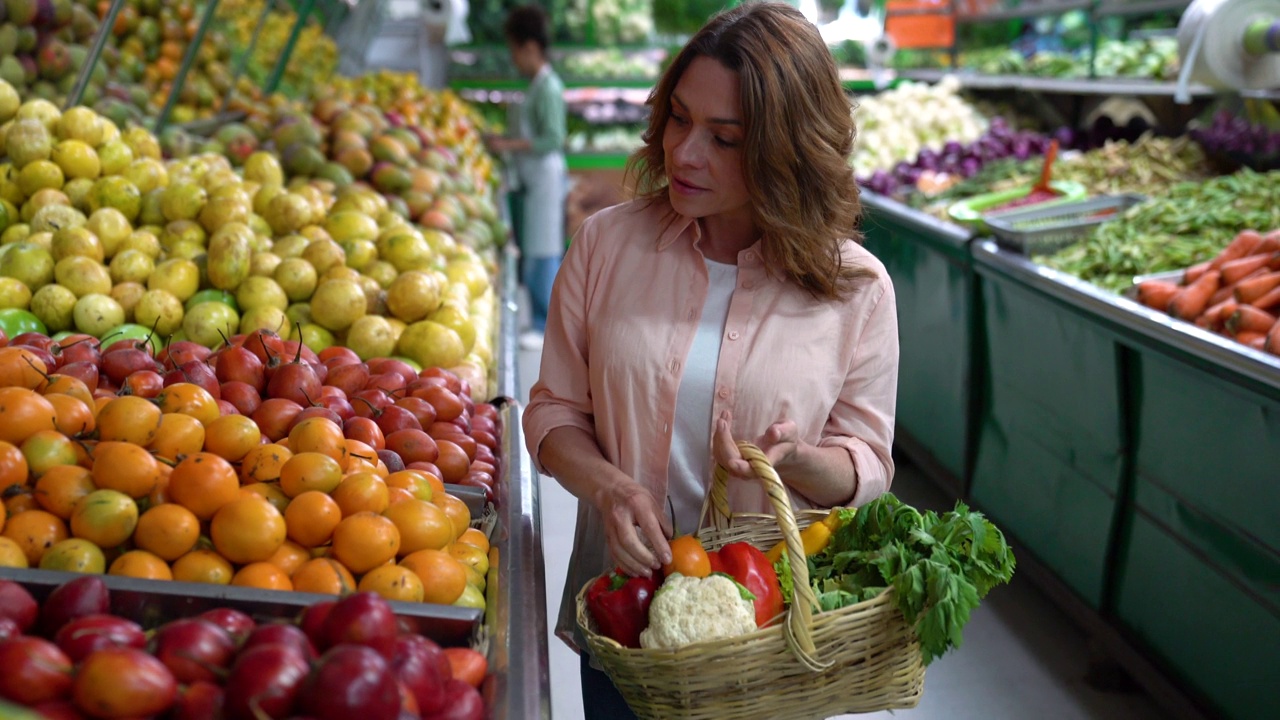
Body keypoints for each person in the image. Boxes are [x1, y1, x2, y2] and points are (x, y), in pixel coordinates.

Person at [521, 2, 899, 717]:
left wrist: (805, 461)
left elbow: (869, 462)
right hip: (626, 623)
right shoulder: (607, 246)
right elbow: (553, 414)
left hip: (766, 646)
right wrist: (608, 487)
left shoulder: (857, 289)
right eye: (679, 119)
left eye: (725, 139)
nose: (685, 153)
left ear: (787, 151)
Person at [484, 5, 568, 351]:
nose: (514, 59)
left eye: (515, 51)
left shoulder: (548, 87)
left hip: (545, 178)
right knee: (536, 249)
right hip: (533, 179)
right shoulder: (536, 85)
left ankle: (544, 323)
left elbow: (554, 138)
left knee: (544, 252)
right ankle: (538, 318)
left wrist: (507, 144)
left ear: (529, 48)